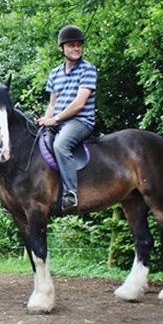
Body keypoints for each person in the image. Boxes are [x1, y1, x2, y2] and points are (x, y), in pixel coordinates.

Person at [36, 25, 97, 211]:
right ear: (62, 48)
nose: (77, 48)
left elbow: (80, 103)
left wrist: (55, 120)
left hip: (80, 121)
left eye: (79, 45)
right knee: (39, 143)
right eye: (71, 45)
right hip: (59, 122)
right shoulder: (54, 73)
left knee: (60, 145)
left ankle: (71, 195)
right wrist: (45, 122)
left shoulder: (88, 69)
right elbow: (52, 104)